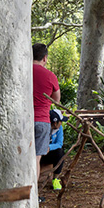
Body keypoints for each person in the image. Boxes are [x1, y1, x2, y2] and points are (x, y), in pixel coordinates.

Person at [32, 43, 60, 180]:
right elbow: (56, 101)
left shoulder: (22, 71)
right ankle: (33, 197)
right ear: (45, 58)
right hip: (42, 121)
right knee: (35, 159)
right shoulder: (50, 76)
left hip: (22, 122)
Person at [37, 108, 65, 197]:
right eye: (60, 121)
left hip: (50, 152)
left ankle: (55, 179)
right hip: (39, 153)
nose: (61, 123)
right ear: (55, 122)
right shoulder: (43, 128)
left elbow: (59, 143)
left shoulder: (59, 129)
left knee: (60, 153)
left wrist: (49, 147)